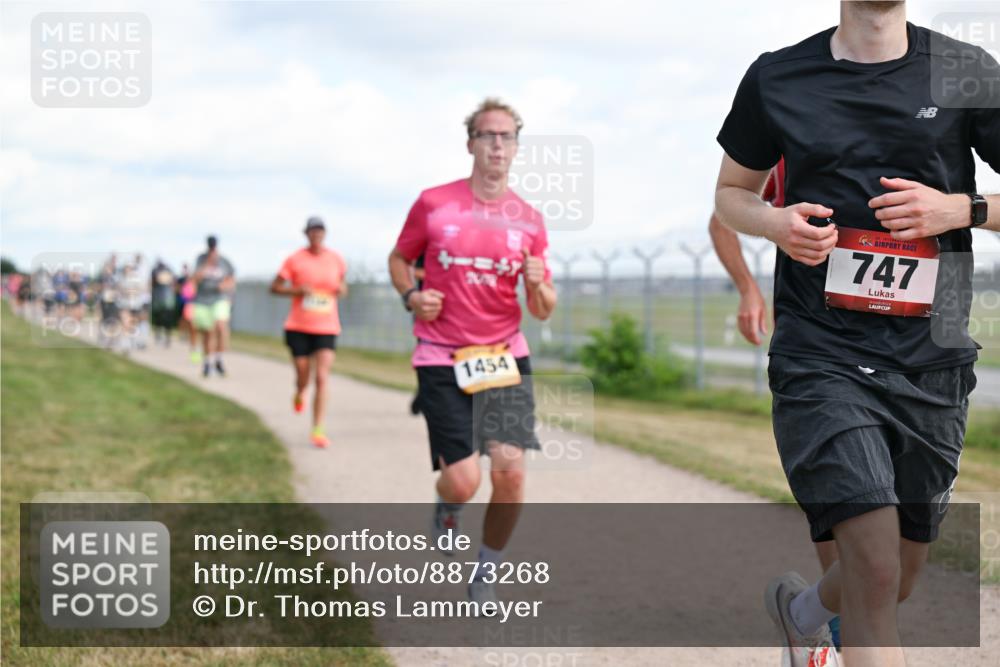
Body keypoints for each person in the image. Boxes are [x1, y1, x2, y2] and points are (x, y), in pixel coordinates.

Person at [715, 2, 998, 666]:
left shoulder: (964, 70)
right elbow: (731, 194)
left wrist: (963, 207)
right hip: (823, 352)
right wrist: (776, 223)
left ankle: (801, 611)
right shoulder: (778, 76)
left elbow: (975, 204)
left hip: (933, 356)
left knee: (896, 576)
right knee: (872, 567)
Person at [388, 98, 557, 609]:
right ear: (471, 144)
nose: (497, 145)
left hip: (505, 355)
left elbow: (544, 308)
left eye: (506, 137)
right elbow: (399, 259)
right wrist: (411, 297)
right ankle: (447, 503)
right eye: (488, 135)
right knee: (464, 480)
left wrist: (538, 286)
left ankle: (486, 570)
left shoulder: (529, 219)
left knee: (510, 474)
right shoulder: (434, 203)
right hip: (441, 354)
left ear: (516, 148)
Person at [709, 158, 843, 652]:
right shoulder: (790, 114)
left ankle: (821, 611)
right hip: (819, 344)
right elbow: (722, 213)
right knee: (844, 489)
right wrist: (748, 289)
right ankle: (838, 628)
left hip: (908, 346)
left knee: (899, 535)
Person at [270, 216, 349, 448]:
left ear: (324, 234)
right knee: (304, 376)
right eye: (312, 231)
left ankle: (318, 429)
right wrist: (296, 291)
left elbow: (343, 287)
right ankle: (299, 390)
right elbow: (274, 287)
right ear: (306, 234)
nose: (316, 235)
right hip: (298, 326)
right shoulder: (295, 259)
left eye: (320, 231)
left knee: (322, 377)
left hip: (327, 326)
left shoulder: (336, 259)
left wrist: (340, 289)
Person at [192, 236, 236, 377]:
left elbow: (231, 279)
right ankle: (207, 362)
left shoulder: (224, 261)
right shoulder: (200, 259)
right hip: (203, 300)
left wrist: (226, 287)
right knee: (207, 332)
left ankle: (219, 359)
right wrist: (207, 264)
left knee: (221, 326)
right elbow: (195, 280)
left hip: (220, 298)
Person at [150, 259, 178, 347]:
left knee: (167, 320)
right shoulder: (155, 272)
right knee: (158, 319)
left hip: (167, 301)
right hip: (158, 300)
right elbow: (153, 283)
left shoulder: (170, 272)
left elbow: (174, 284)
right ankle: (159, 335)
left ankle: (167, 338)